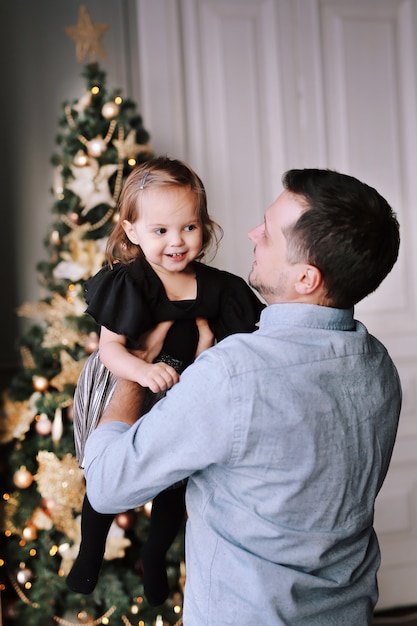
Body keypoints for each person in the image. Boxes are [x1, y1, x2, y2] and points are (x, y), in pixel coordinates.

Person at [83, 168, 402, 625]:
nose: (253, 233)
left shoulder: (234, 375)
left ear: (307, 278)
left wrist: (134, 368)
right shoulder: (378, 367)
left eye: (269, 234)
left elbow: (109, 484)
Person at [66, 157, 265, 602]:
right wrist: (143, 370)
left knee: (177, 480)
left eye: (189, 228)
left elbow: (237, 351)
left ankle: (156, 556)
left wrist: (206, 360)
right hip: (125, 378)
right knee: (109, 469)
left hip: (183, 388)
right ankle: (90, 551)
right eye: (161, 231)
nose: (177, 242)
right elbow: (111, 348)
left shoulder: (221, 289)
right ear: (132, 230)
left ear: (204, 225)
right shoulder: (128, 283)